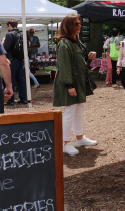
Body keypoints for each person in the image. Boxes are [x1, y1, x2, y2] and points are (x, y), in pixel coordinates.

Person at [53, 14, 97, 156]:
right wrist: (69, 85)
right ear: (69, 26)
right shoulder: (64, 43)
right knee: (70, 111)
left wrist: (87, 57)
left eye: (80, 24)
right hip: (72, 83)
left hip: (78, 82)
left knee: (78, 109)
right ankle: (66, 143)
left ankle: (79, 138)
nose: (80, 26)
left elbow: (78, 63)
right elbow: (64, 66)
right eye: (77, 24)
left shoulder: (75, 42)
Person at [3, 19, 27, 105]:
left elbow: (5, 48)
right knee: (21, 79)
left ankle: (10, 100)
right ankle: (23, 98)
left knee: (11, 79)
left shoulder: (9, 34)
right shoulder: (22, 34)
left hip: (12, 59)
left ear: (9, 25)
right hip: (21, 59)